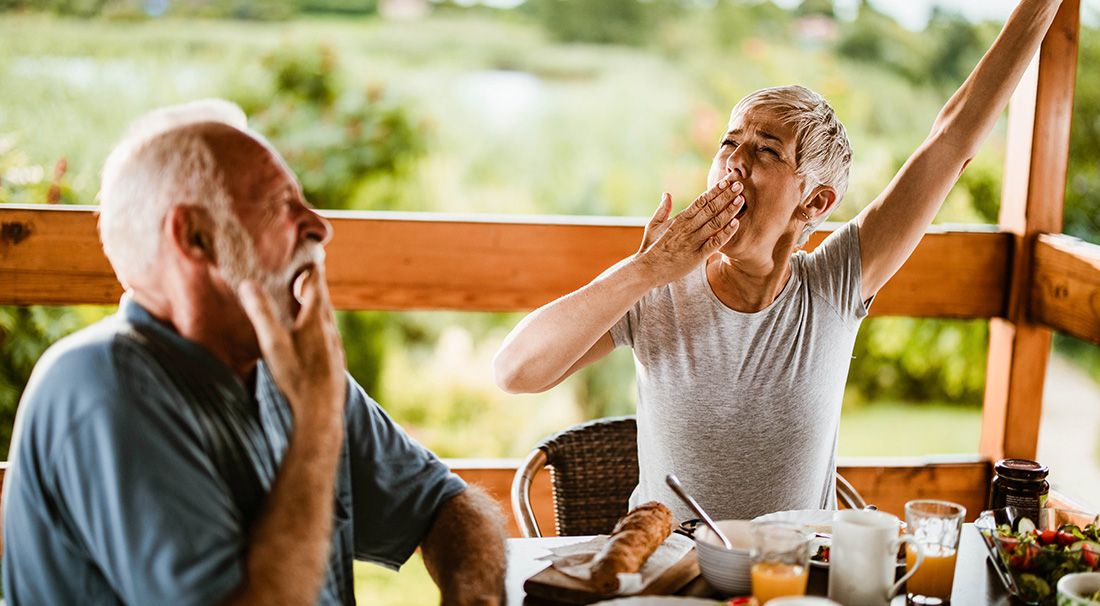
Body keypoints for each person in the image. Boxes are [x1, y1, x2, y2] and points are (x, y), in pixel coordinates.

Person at [494, 0, 1064, 522]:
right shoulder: (657, 283)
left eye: (765, 149)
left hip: (793, 581)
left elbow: (954, 137)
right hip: (670, 578)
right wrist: (644, 270)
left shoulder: (836, 283)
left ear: (813, 202)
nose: (735, 162)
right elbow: (515, 372)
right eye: (728, 142)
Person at [1, 100, 507, 606]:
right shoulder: (103, 386)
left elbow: (450, 506)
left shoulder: (282, 367)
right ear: (195, 238)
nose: (317, 226)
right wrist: (316, 419)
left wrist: (474, 596)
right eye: (280, 205)